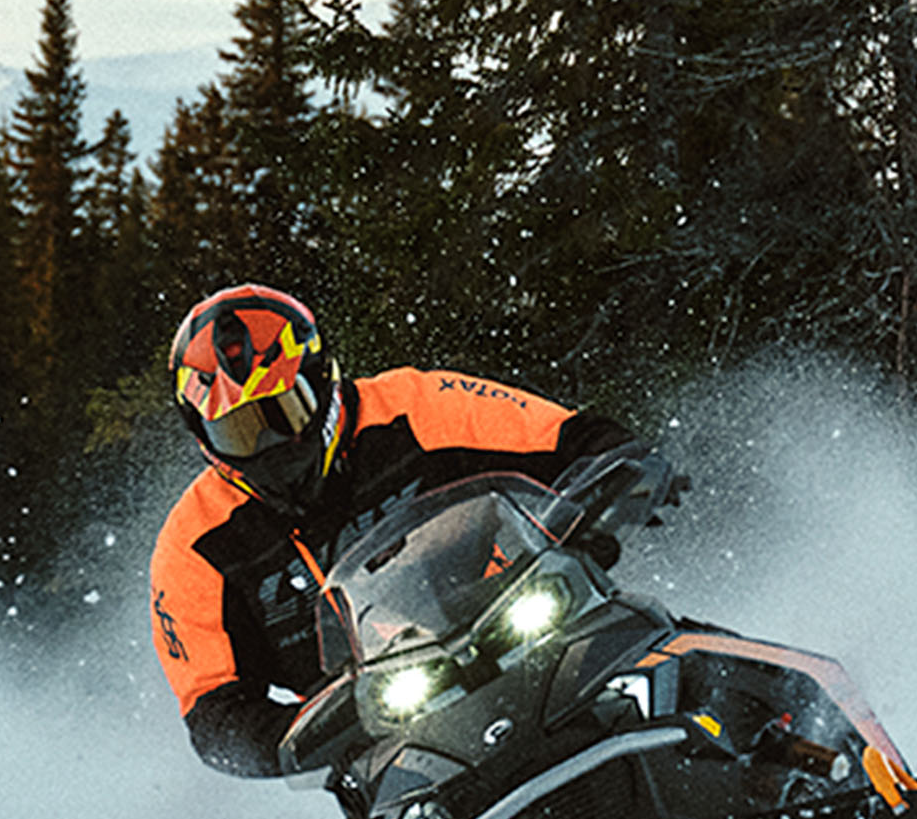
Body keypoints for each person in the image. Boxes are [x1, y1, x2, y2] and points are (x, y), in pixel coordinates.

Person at [147, 284, 653, 781]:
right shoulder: (192, 548)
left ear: (322, 380)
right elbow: (214, 711)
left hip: (534, 639)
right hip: (388, 744)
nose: (270, 445)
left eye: (285, 413)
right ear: (203, 438)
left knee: (667, 655)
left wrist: (617, 487)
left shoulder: (416, 405)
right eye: (237, 432)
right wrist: (295, 738)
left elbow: (568, 438)